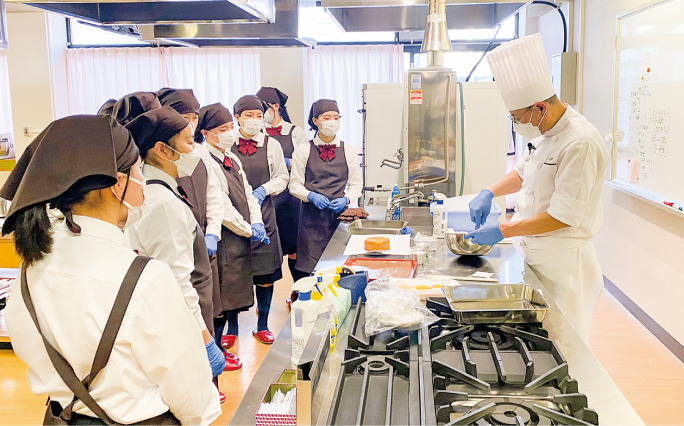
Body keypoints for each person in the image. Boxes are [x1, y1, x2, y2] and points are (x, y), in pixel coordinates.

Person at [0, 115, 220, 425]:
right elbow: (191, 395)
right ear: (118, 185)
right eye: (138, 170)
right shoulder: (145, 278)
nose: (143, 180)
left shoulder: (30, 270)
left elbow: (29, 347)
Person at [464, 33, 609, 343]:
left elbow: (562, 216)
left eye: (518, 117)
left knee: (565, 346)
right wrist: (488, 191)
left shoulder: (580, 142)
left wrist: (504, 230)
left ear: (540, 107)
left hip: (564, 266)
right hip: (535, 257)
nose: (518, 124)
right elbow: (522, 172)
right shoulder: (546, 132)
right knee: (539, 341)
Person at [123, 107, 227, 387]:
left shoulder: (157, 190)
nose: (195, 150)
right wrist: (205, 340)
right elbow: (178, 282)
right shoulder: (164, 205)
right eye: (189, 142)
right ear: (162, 150)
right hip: (183, 323)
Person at [195, 102, 267, 355]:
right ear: (206, 133)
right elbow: (221, 205)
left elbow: (248, 193)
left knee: (234, 291)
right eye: (222, 129)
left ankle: (221, 346)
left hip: (240, 236)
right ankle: (215, 349)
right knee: (221, 297)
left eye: (230, 127)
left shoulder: (232, 157)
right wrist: (247, 229)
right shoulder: (205, 160)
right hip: (224, 236)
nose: (229, 133)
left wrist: (257, 221)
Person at [231, 95, 288, 345]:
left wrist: (264, 189)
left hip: (264, 217)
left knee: (265, 276)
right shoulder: (227, 144)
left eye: (258, 115)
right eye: (249, 115)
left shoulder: (271, 145)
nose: (255, 120)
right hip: (233, 219)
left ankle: (262, 325)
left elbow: (282, 177)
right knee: (234, 276)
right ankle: (232, 329)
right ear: (237, 118)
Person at [289, 99, 363, 278]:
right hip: (310, 219)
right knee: (310, 270)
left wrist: (346, 199)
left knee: (339, 268)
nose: (332, 122)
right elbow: (294, 184)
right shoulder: (303, 150)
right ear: (315, 121)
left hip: (340, 218)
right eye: (327, 117)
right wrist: (311, 196)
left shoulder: (348, 150)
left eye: (336, 118)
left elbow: (356, 184)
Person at [157, 88, 224, 267]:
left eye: (194, 118)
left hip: (205, 239)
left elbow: (214, 194)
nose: (190, 124)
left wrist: (213, 232)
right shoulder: (159, 154)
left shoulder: (201, 152)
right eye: (184, 117)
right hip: (174, 241)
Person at [256, 87, 308, 281]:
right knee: (266, 249)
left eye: (262, 110)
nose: (260, 115)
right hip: (264, 198)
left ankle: (298, 291)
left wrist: (286, 162)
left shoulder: (295, 133)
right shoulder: (257, 133)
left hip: (290, 200)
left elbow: (306, 163)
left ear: (276, 107)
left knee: (294, 249)